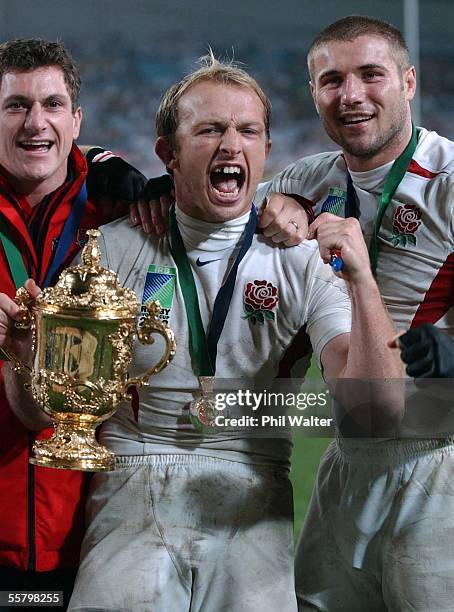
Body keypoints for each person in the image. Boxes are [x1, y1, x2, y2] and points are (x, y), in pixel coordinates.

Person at [0, 53, 402, 611]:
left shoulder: (304, 259)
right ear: (167, 153)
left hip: (253, 485)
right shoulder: (108, 251)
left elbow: (375, 414)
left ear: (265, 149)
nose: (230, 145)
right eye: (208, 129)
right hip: (130, 483)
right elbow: (45, 413)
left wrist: (361, 280)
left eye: (247, 131)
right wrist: (24, 358)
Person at [261, 15, 454, 612]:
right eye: (331, 80)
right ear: (314, 94)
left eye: (371, 75)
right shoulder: (308, 178)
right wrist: (278, 203)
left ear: (409, 81)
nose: (352, 95)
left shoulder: (449, 181)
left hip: (439, 461)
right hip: (349, 460)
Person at [0, 38, 150, 610]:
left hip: (97, 532)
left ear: (76, 118)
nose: (36, 121)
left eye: (52, 105)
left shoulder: (120, 206)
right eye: (16, 105)